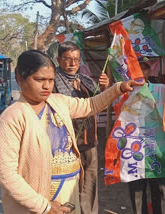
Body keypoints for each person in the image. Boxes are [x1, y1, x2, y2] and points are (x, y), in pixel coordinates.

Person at [0, 49, 143, 214]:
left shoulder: (57, 101)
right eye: (39, 79)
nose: (47, 86)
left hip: (69, 192)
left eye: (51, 80)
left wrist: (118, 88)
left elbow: (90, 105)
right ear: (19, 78)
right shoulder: (12, 118)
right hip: (38, 201)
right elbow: (5, 174)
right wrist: (44, 206)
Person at [53, 41, 109, 214]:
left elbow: (100, 105)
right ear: (58, 59)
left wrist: (105, 89)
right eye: (68, 59)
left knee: (90, 185)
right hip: (65, 146)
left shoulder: (86, 81)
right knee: (68, 186)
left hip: (89, 142)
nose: (72, 64)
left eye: (76, 60)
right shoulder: (52, 81)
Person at [128, 59, 165, 214]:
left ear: (150, 72)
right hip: (134, 148)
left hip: (156, 146)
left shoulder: (160, 89)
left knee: (160, 187)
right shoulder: (125, 91)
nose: (142, 72)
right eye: (138, 69)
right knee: (137, 189)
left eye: (145, 69)